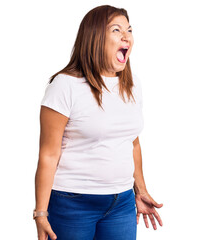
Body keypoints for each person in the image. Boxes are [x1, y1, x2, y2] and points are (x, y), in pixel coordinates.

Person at [34, 5, 163, 240]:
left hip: (121, 203)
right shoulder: (64, 86)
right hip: (72, 203)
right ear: (95, 38)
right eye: (116, 30)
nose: (126, 36)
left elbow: (131, 142)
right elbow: (48, 154)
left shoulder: (132, 85)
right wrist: (41, 214)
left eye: (129, 30)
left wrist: (140, 189)